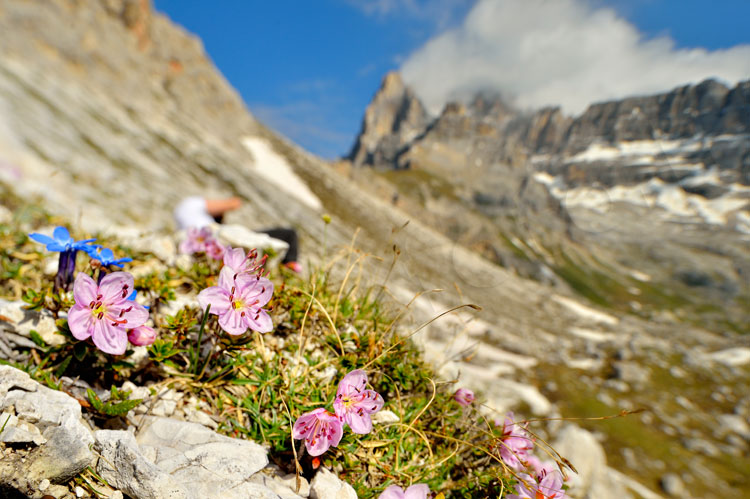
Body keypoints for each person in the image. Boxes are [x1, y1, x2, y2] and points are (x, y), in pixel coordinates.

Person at [174, 196, 301, 272]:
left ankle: (282, 267)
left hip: (213, 246)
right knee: (289, 234)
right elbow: (232, 204)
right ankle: (289, 266)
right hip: (229, 239)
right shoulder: (193, 203)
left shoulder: (182, 220)